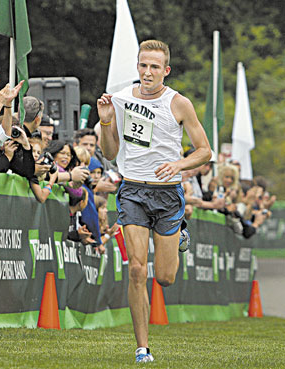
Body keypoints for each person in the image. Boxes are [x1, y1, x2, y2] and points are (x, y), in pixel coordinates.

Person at [97, 39, 211, 363]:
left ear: (166, 70)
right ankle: (142, 348)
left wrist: (179, 164)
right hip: (132, 189)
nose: (148, 72)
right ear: (137, 66)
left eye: (155, 67)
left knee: (164, 277)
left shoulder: (179, 104)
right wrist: (106, 120)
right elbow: (109, 152)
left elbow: (205, 150)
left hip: (168, 193)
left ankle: (178, 236)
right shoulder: (119, 100)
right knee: (136, 269)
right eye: (143, 65)